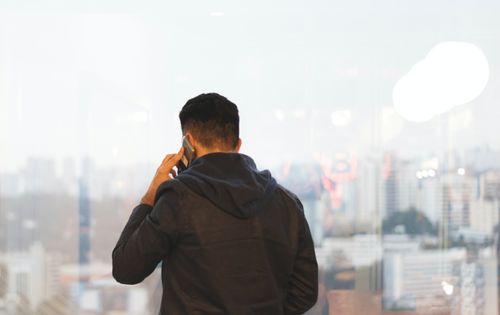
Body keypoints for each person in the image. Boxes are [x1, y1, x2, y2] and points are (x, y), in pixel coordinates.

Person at [112, 93, 318, 314]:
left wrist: (150, 196)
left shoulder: (178, 198)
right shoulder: (286, 203)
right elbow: (305, 291)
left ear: (188, 143)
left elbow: (126, 268)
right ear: (238, 145)